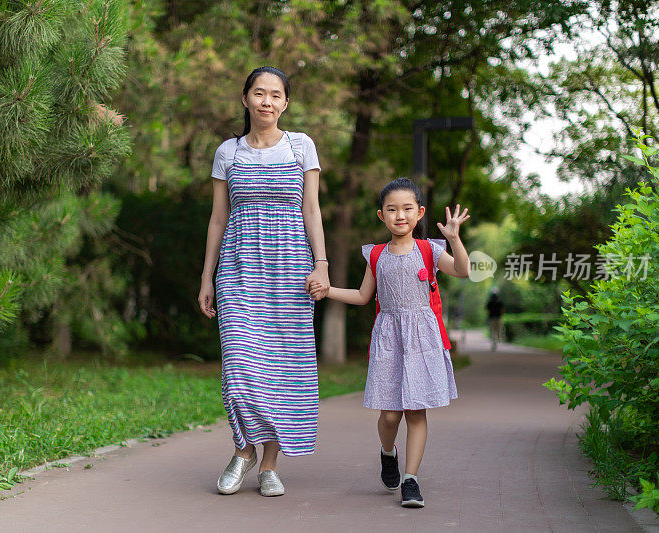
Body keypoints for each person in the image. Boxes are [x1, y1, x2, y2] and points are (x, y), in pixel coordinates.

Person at [198, 66, 329, 498]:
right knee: (238, 366)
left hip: (291, 267)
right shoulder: (228, 153)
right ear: (245, 99)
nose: (266, 102)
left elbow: (311, 210)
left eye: (275, 95)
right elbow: (219, 217)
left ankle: (269, 464)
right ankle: (243, 450)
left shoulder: (301, 146)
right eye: (259, 93)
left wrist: (322, 264)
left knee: (283, 369)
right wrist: (207, 276)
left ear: (285, 103)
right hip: (238, 267)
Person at [311, 178, 470, 508]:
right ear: (381, 215)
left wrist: (454, 239)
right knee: (389, 416)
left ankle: (410, 481)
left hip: (423, 338)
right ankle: (388, 452)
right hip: (389, 337)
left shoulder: (430, 250)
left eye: (407, 209)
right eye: (392, 209)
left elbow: (462, 270)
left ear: (419, 213)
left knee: (415, 412)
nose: (400, 215)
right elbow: (362, 295)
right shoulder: (376, 254)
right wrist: (328, 291)